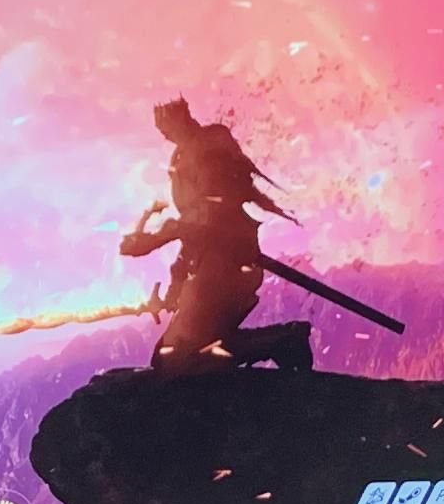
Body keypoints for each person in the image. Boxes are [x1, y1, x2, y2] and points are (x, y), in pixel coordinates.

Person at [120, 98, 311, 371]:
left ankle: (281, 340)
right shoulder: (181, 157)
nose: (164, 133)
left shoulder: (210, 147)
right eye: (160, 128)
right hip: (205, 266)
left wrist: (161, 236)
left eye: (165, 123)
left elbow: (212, 215)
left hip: (228, 267)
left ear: (179, 114)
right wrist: (177, 279)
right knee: (168, 358)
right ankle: (279, 340)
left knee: (177, 359)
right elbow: (192, 228)